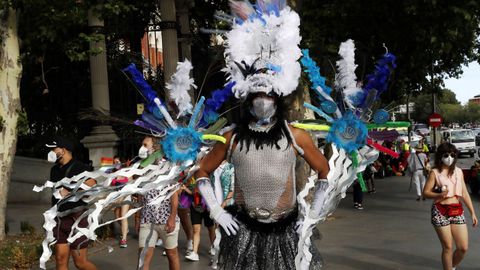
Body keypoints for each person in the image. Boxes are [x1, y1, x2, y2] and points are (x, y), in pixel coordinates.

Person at [194, 90, 330, 269]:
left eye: (268, 95)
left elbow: (324, 170)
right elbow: (202, 170)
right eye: (258, 94)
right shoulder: (232, 138)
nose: (263, 101)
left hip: (287, 232)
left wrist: (312, 216)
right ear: (248, 100)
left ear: (277, 99)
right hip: (243, 231)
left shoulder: (294, 136)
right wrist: (216, 211)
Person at [423, 142, 478, 270]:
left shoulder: (458, 172)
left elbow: (464, 193)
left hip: (457, 210)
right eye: (446, 154)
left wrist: (473, 213)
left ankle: (451, 266)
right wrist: (440, 195)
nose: (449, 157)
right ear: (440, 156)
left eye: (452, 155)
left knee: (463, 247)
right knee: (448, 246)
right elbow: (426, 193)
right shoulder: (435, 172)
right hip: (440, 210)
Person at [46, 137, 97, 270]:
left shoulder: (79, 167)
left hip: (76, 220)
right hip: (59, 218)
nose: (51, 152)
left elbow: (93, 185)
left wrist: (70, 191)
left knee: (80, 263)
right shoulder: (54, 169)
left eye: (53, 149)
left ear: (63, 150)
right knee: (60, 260)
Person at [135, 136, 180, 270]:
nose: (142, 147)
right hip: (147, 220)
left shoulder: (167, 167)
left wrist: (172, 217)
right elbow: (140, 196)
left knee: (172, 254)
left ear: (154, 147)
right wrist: (137, 217)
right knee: (143, 256)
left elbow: (173, 195)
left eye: (145, 144)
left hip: (166, 219)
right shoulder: (141, 169)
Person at [183, 178, 216, 262]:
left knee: (210, 228)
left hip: (207, 206)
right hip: (195, 206)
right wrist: (185, 188)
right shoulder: (191, 176)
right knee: (196, 230)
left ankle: (213, 246)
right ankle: (194, 253)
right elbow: (192, 191)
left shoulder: (209, 176)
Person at [111, 155, 130, 248]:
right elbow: (110, 187)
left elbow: (131, 186)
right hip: (116, 196)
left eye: (117, 162)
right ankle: (125, 229)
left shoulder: (128, 172)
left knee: (123, 216)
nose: (116, 164)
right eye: (114, 162)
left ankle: (124, 239)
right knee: (117, 216)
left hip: (126, 196)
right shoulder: (113, 173)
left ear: (122, 162)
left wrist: (122, 197)